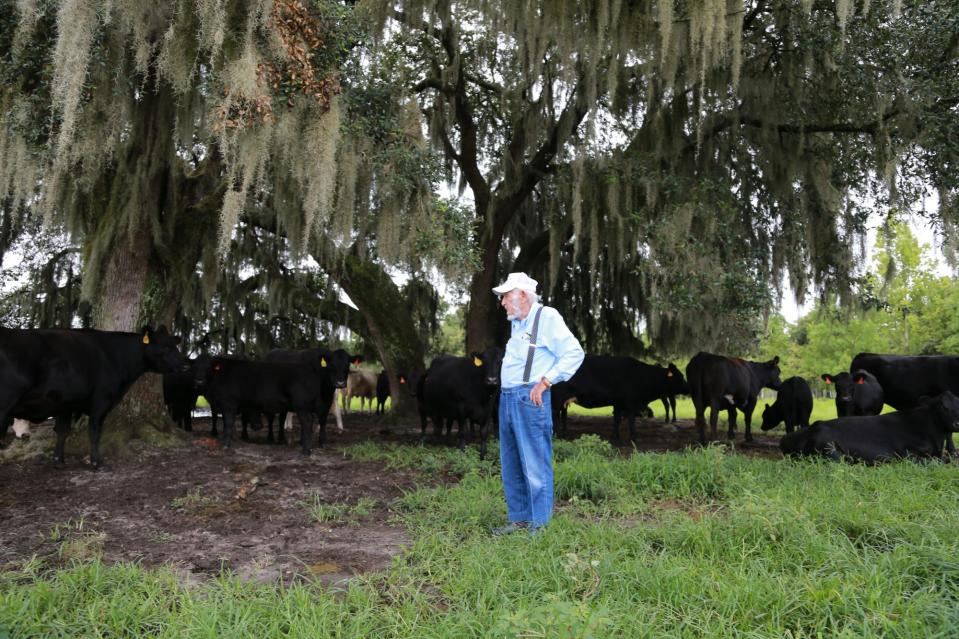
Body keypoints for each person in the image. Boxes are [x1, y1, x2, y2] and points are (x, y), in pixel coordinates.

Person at [490, 272, 584, 535]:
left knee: (534, 463)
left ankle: (540, 526)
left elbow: (574, 352)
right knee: (512, 463)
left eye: (506, 296)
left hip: (529, 399)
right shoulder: (517, 323)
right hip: (508, 398)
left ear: (522, 295)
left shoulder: (547, 317)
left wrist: (546, 381)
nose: (503, 302)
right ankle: (519, 520)